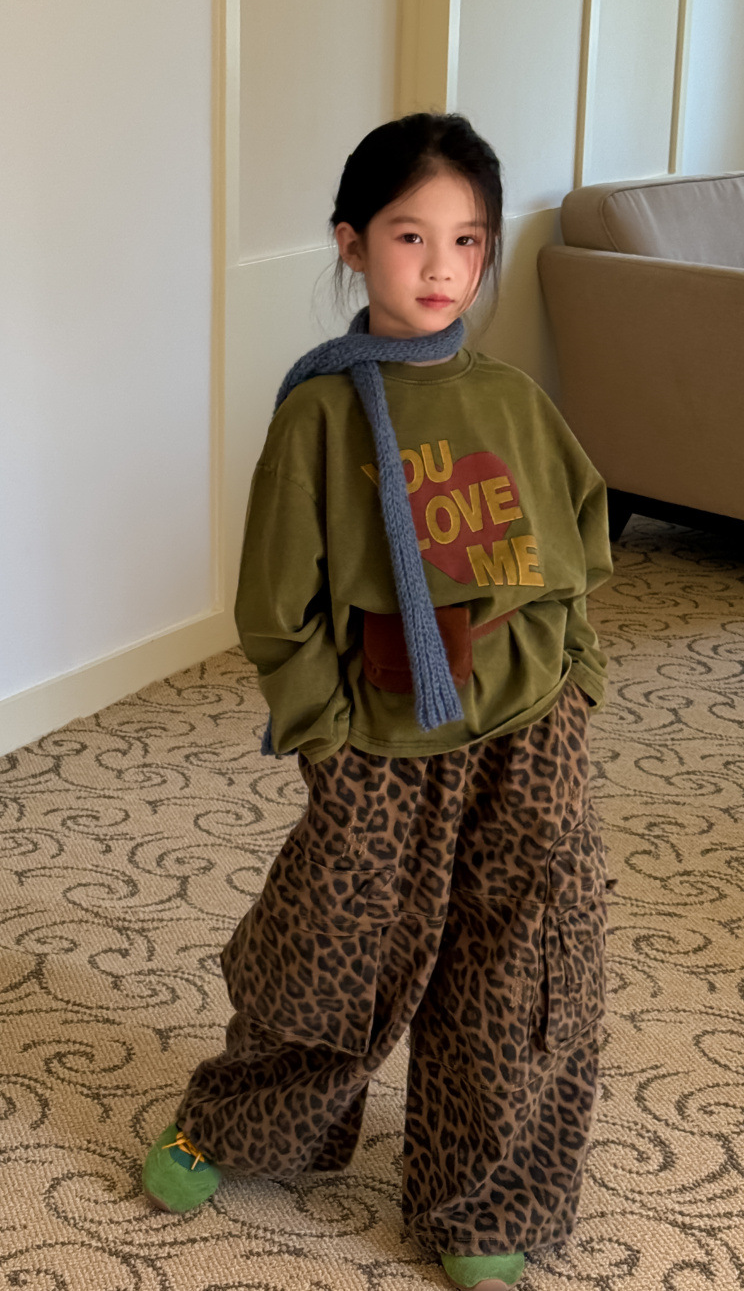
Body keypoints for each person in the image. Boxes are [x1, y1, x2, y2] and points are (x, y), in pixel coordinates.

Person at [141, 113, 613, 1291]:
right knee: (329, 953)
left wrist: (576, 681)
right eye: (410, 236)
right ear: (350, 243)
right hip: (383, 739)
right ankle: (236, 1122)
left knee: (520, 965)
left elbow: (581, 542)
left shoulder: (514, 401)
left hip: (527, 730)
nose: (442, 266)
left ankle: (481, 1194)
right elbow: (275, 604)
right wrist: (327, 737)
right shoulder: (320, 415)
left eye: (467, 239)